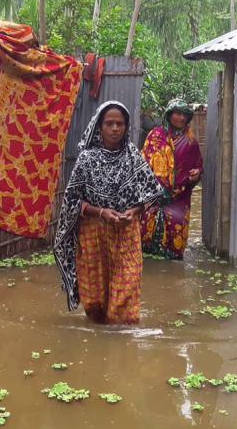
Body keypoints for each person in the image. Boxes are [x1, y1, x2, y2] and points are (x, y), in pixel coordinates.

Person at [53, 101, 164, 324]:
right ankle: (99, 343)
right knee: (95, 302)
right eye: (109, 123)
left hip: (126, 232)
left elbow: (152, 194)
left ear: (126, 127)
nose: (115, 128)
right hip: (93, 234)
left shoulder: (132, 156)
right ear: (99, 126)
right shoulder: (86, 159)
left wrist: (133, 211)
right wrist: (102, 212)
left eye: (120, 124)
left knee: (126, 293)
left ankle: (122, 348)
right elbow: (72, 200)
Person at [140, 99, 204, 260]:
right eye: (177, 113)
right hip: (152, 198)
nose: (181, 118)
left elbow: (198, 166)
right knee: (145, 242)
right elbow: (142, 164)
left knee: (175, 245)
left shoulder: (191, 143)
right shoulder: (155, 136)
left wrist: (197, 174)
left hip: (178, 200)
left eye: (184, 115)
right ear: (169, 115)